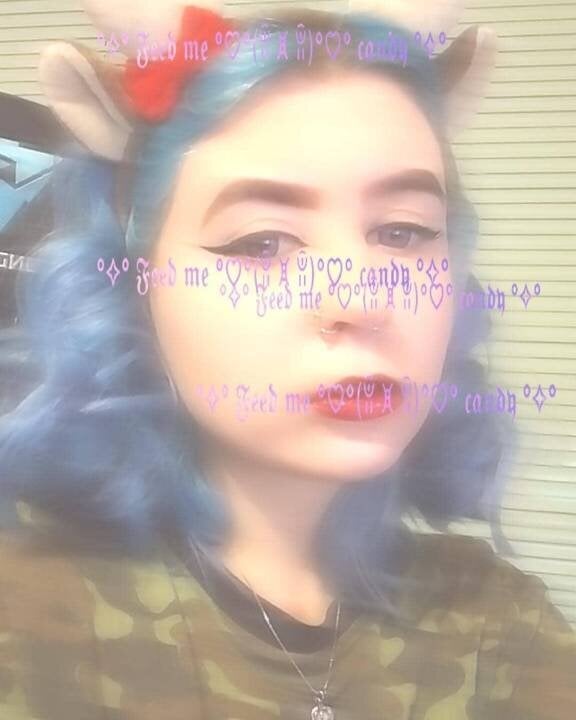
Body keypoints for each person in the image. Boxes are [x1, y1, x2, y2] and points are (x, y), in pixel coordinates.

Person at [0, 1, 575, 719]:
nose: (361, 297)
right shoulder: (27, 617)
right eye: (262, 242)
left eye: (403, 232)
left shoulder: (495, 621)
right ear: (138, 295)